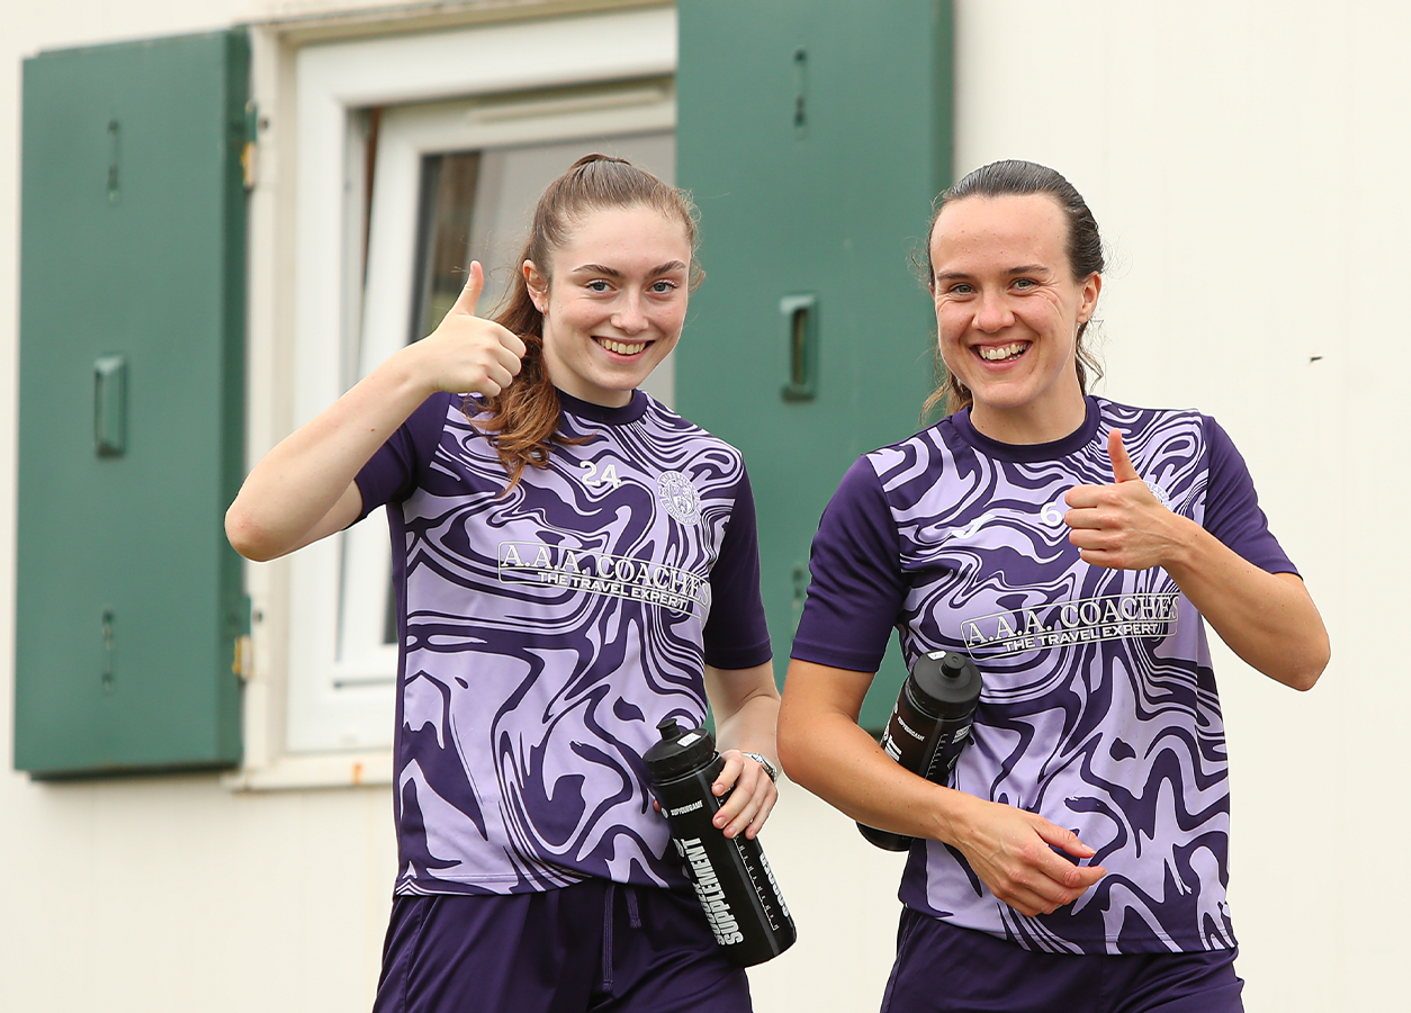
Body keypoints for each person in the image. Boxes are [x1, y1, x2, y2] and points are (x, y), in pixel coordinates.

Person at [225, 154, 781, 1013]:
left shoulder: (710, 471)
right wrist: (411, 369)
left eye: (661, 287)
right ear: (540, 283)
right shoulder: (444, 422)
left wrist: (756, 755)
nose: (632, 316)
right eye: (601, 284)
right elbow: (257, 524)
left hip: (673, 915)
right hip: (478, 899)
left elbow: (749, 692)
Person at [778, 160, 1330, 1013]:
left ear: (1086, 293)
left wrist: (1178, 542)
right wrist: (964, 822)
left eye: (1023, 283)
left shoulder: (1186, 453)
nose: (990, 316)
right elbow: (809, 732)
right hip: (972, 953)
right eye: (960, 287)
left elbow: (1302, 653)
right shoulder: (890, 489)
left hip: (1173, 949)